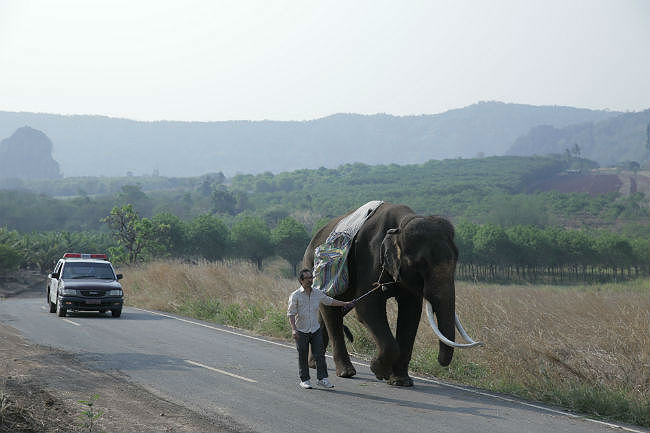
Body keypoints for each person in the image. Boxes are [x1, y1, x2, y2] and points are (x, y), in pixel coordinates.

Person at [287, 268, 354, 389]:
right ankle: (305, 380)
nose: (310, 280)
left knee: (320, 354)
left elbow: (330, 301)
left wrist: (345, 303)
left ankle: (322, 379)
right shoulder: (295, 295)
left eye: (311, 277)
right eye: (307, 278)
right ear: (301, 280)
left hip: (315, 329)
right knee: (303, 355)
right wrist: (293, 329)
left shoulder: (317, 293)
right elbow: (291, 314)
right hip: (301, 330)